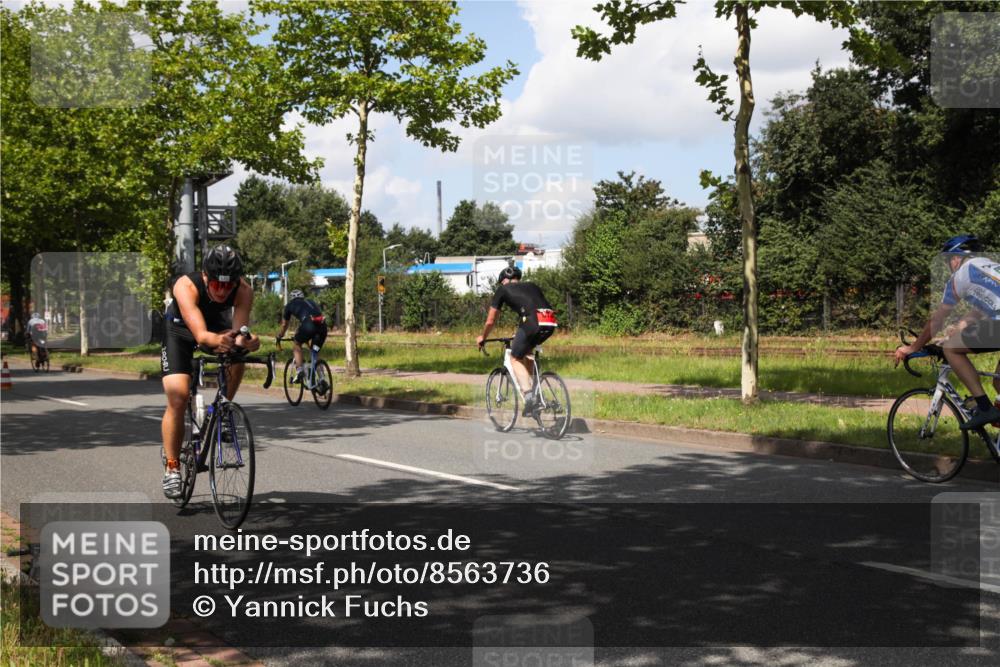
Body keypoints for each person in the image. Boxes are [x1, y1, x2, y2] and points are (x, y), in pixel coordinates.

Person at [160, 244, 259, 498]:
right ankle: (172, 467)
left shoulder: (244, 290)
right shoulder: (185, 286)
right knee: (178, 396)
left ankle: (225, 407)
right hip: (180, 330)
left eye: (229, 286)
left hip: (215, 327)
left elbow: (238, 333)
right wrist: (220, 340)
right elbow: (203, 337)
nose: (223, 291)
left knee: (237, 357)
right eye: (216, 285)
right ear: (205, 277)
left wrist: (246, 341)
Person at [894, 235, 1000, 429]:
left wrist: (913, 347)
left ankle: (984, 408)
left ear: (956, 258)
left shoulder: (960, 276)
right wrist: (956, 331)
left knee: (951, 349)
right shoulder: (989, 267)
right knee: (998, 384)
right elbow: (980, 310)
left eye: (949, 259)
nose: (950, 264)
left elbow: (938, 319)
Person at [476, 266, 558, 413]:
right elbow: (532, 309)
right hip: (550, 320)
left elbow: (490, 320)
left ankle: (529, 398)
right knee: (526, 352)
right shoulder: (531, 285)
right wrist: (519, 333)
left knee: (514, 358)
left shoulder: (503, 289)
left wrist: (483, 337)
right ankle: (535, 392)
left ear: (504, 281)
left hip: (533, 322)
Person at [276, 289, 327, 384]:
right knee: (315, 351)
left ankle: (299, 371)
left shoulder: (289, 305)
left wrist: (280, 335)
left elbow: (284, 325)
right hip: (322, 326)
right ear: (302, 296)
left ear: (291, 298)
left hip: (308, 326)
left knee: (297, 344)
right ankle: (322, 379)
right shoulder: (311, 301)